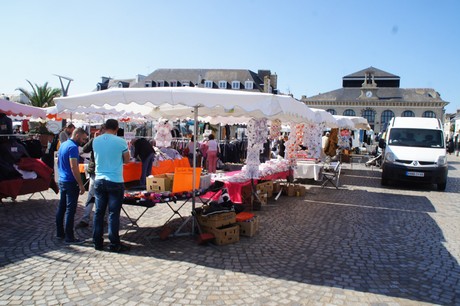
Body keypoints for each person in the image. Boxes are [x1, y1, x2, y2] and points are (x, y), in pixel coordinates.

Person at [92, 119, 130, 252]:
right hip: (115, 179)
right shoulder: (120, 141)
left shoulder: (95, 140)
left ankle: (97, 242)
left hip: (99, 179)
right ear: (117, 128)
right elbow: (127, 159)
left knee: (98, 212)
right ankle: (114, 243)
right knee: (113, 213)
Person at [56, 127, 88, 244]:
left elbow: (58, 162)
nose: (84, 141)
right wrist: (81, 184)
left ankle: (60, 233)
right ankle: (69, 237)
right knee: (70, 210)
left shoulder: (63, 145)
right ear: (77, 135)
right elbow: (74, 167)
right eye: (83, 139)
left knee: (62, 207)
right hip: (70, 182)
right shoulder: (73, 147)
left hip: (62, 180)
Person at [76, 124, 106, 228]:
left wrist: (94, 139)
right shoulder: (110, 142)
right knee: (103, 196)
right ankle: (102, 219)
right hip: (105, 172)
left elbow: (85, 149)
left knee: (92, 196)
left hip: (97, 171)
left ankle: (86, 219)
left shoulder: (95, 140)